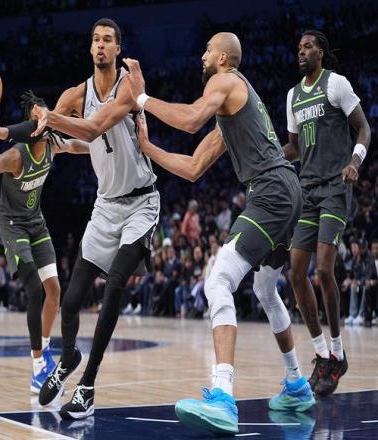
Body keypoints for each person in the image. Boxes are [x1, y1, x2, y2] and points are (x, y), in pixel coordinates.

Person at [124, 32, 314, 435]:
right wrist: (147, 148)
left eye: (208, 50)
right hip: (286, 190)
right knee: (265, 290)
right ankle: (297, 385)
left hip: (271, 190)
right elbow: (194, 167)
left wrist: (141, 98)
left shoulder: (225, 81)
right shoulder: (231, 111)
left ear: (224, 58)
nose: (202, 55)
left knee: (217, 281)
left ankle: (224, 397)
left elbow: (191, 119)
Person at [2, 18, 159, 419]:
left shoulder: (129, 88)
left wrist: (51, 119)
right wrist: (6, 129)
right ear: (90, 48)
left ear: (118, 48)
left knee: (115, 286)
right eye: (95, 40)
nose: (101, 45)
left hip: (141, 203)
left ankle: (87, 385)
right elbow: (45, 133)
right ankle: (69, 356)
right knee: (70, 303)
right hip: (105, 206)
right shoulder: (75, 94)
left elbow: (91, 129)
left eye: (108, 40)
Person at [0, 90, 89, 394]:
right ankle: (37, 368)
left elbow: (74, 145)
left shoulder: (52, 142)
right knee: (34, 290)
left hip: (36, 222)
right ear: (30, 126)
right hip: (12, 225)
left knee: (54, 290)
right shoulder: (15, 156)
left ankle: (44, 350)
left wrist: (100, 149)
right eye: (39, 116)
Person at [283, 30, 371, 396]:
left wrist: (355, 162)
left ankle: (337, 351)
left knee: (323, 269)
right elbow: (293, 148)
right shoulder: (292, 95)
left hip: (336, 185)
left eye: (308, 46)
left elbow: (363, 128)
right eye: (299, 47)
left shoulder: (336, 84)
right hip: (307, 190)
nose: (301, 51)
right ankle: (322, 354)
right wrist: (268, 159)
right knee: (295, 272)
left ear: (321, 52)